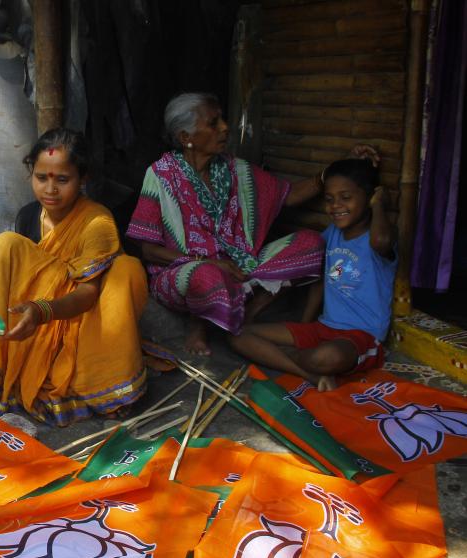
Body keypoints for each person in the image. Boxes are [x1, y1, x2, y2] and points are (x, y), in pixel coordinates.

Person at [126, 92, 379, 356]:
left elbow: (288, 195)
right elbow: (148, 250)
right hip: (186, 275)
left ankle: (245, 317)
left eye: (222, 119)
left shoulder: (234, 169)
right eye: (214, 123)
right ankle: (197, 325)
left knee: (312, 243)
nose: (225, 127)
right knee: (205, 275)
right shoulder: (161, 174)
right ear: (185, 138)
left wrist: (337, 169)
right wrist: (208, 261)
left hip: (240, 265)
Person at [0, 128, 149, 426]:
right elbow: (29, 272)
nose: (50, 189)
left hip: (83, 321)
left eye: (62, 180)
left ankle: (102, 380)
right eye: (42, 178)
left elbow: (88, 294)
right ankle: (8, 367)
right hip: (32, 325)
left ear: (83, 179)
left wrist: (43, 310)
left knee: (127, 269)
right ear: (31, 174)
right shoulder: (27, 216)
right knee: (5, 244)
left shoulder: (97, 221)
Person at [228, 159, 396, 391]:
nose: (336, 206)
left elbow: (382, 241)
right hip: (324, 327)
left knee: (326, 358)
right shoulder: (333, 233)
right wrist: (305, 324)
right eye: (329, 199)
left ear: (369, 196)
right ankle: (308, 372)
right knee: (237, 333)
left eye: (346, 197)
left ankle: (293, 359)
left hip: (361, 336)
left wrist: (379, 205)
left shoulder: (379, 236)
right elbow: (319, 279)